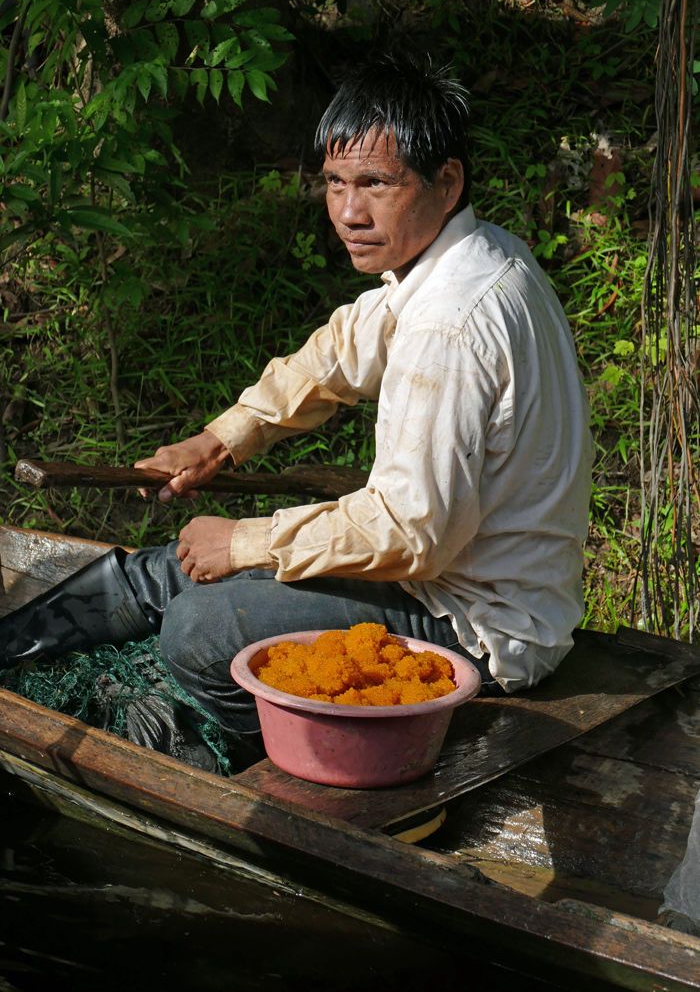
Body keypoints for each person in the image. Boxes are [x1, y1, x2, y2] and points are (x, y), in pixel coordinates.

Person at [0, 55, 592, 765]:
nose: (348, 212)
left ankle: (235, 758)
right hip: (438, 582)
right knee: (161, 572)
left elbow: (410, 532)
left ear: (447, 181)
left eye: (376, 184)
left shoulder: (449, 325)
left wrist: (245, 543)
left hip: (476, 626)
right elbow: (337, 353)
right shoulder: (476, 258)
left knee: (200, 628)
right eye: (336, 183)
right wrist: (219, 440)